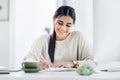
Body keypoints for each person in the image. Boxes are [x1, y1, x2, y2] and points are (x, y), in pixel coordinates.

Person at [23, 5, 96, 69]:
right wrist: (37, 64)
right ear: (54, 21)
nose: (63, 28)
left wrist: (73, 64)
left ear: (72, 25)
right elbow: (27, 60)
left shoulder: (78, 37)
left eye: (68, 25)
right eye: (60, 23)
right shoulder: (43, 40)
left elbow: (92, 63)